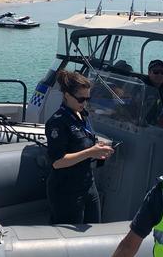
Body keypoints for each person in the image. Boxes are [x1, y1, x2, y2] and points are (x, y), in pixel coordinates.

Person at [45, 70, 114, 224]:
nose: (84, 103)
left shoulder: (82, 114)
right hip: (66, 190)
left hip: (87, 184)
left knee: (94, 229)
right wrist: (90, 152)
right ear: (67, 95)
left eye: (87, 99)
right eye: (81, 99)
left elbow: (83, 144)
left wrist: (97, 149)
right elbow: (57, 161)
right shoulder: (57, 122)